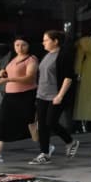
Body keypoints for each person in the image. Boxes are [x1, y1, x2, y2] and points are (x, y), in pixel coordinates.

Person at [30, 30, 78, 166]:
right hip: (41, 95)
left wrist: (60, 95)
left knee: (50, 122)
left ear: (55, 41)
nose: (43, 42)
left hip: (55, 95)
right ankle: (44, 153)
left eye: (46, 40)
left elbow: (68, 77)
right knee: (42, 126)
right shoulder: (46, 55)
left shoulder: (63, 55)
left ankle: (70, 141)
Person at [0, 36, 38, 165]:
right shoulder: (13, 58)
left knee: (30, 123)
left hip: (26, 94)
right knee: (1, 121)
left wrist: (8, 79)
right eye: (17, 45)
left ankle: (45, 146)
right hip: (10, 94)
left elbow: (30, 78)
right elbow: (10, 73)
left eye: (23, 45)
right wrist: (4, 73)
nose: (20, 48)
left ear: (29, 46)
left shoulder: (31, 59)